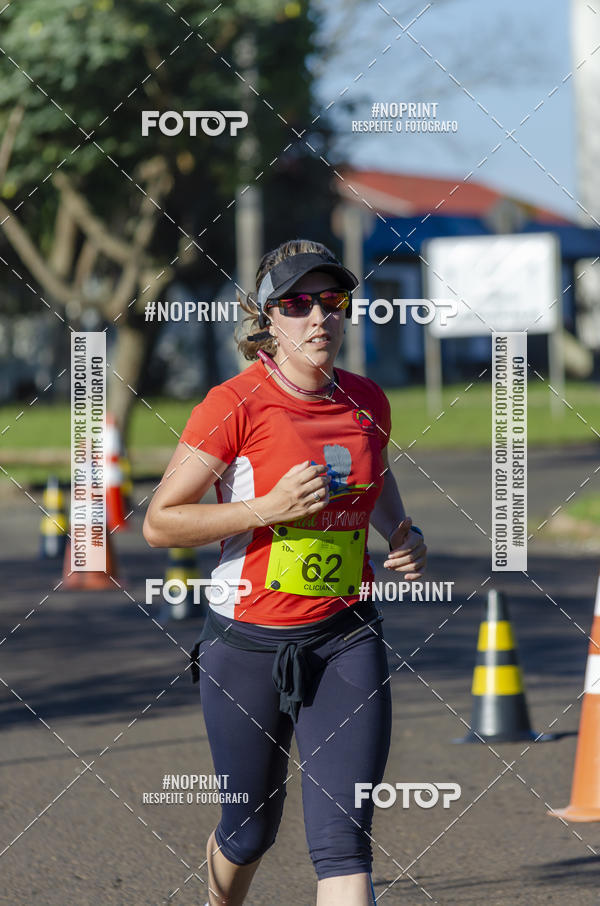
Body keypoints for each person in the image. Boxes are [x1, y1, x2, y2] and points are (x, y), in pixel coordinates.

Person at [143, 238, 427, 906]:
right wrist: (265, 509)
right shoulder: (233, 404)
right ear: (267, 317)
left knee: (344, 847)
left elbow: (377, 472)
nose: (319, 316)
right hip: (247, 645)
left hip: (346, 636)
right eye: (297, 304)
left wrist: (401, 532)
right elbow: (160, 522)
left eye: (332, 300)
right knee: (248, 833)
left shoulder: (366, 400)